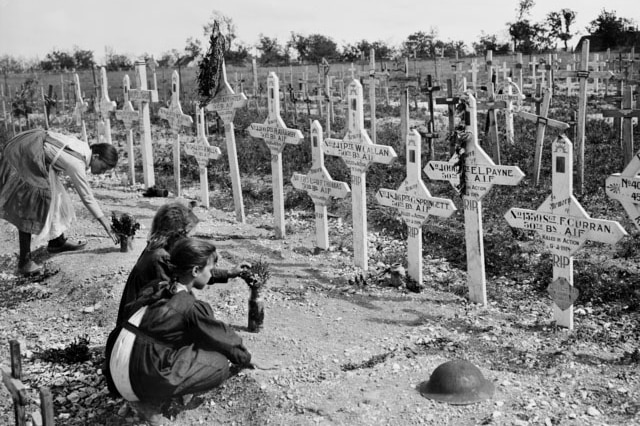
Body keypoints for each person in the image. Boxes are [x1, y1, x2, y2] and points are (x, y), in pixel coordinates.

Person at [105, 238, 258, 425]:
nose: (211, 274)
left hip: (116, 370)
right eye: (210, 270)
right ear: (195, 271)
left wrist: (228, 273)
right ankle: (151, 403)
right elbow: (221, 337)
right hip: (139, 375)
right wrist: (245, 358)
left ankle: (144, 395)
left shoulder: (156, 288)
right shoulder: (190, 306)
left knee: (180, 341)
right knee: (219, 365)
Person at [0, 129, 119, 276]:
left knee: (58, 197)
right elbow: (87, 197)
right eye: (103, 167)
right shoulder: (76, 163)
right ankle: (24, 262)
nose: (102, 172)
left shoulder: (82, 147)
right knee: (30, 204)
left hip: (31, 146)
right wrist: (106, 224)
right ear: (96, 156)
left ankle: (57, 242)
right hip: (24, 152)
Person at [115, 201, 248, 326]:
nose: (191, 241)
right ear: (176, 234)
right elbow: (172, 303)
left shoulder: (162, 250)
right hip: (138, 327)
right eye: (189, 236)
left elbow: (196, 271)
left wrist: (229, 273)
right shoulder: (160, 258)